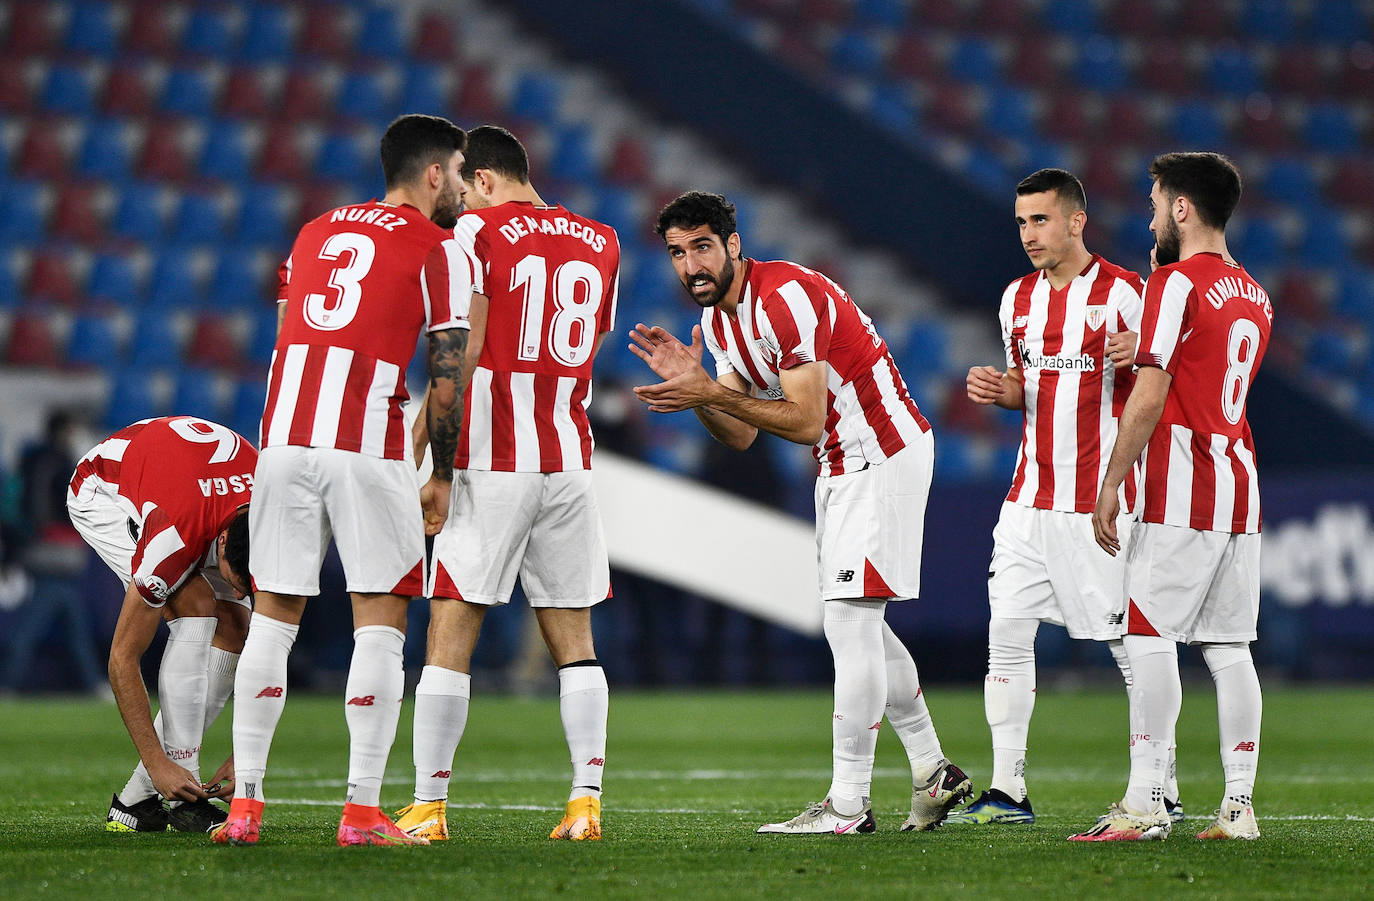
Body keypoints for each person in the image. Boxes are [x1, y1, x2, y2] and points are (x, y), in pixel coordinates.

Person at [630, 191, 971, 834]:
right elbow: (738, 434)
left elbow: (805, 418)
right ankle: (933, 770)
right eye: (677, 253)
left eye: (702, 247)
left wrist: (707, 389)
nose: (690, 265)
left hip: (880, 452)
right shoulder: (726, 321)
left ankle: (849, 804)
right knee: (860, 628)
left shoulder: (781, 296)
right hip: (844, 465)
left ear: (734, 244)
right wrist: (701, 390)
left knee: (848, 625)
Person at [214, 113, 471, 848]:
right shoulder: (440, 249)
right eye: (457, 172)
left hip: (285, 440)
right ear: (432, 174)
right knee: (381, 618)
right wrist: (443, 474)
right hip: (366, 441)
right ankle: (361, 811)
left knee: (273, 616)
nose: (461, 186)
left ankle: (245, 808)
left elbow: (290, 330)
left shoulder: (314, 232)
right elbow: (447, 378)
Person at [397, 125, 618, 843]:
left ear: (487, 179)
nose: (458, 196)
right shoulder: (600, 241)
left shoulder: (471, 237)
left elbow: (455, 362)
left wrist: (438, 467)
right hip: (571, 458)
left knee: (451, 627)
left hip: (493, 460)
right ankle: (585, 802)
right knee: (574, 636)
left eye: (466, 184)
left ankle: (429, 806)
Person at [950, 169, 1187, 825]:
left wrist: (1143, 353)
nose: (1029, 233)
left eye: (1042, 219)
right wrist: (1007, 393)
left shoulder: (1125, 295)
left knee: (1128, 644)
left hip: (1101, 502)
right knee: (1006, 633)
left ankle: (1159, 783)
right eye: (1022, 221)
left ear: (1077, 221)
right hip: (1028, 498)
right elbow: (1031, 385)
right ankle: (1009, 790)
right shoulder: (1016, 300)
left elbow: (1168, 381)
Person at [1071, 152, 1270, 842]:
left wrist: (1109, 483)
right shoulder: (1254, 292)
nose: (1153, 216)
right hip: (1240, 488)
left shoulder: (1172, 281)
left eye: (1157, 203)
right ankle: (1238, 807)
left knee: (1148, 635)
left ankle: (1145, 800)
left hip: (1184, 490)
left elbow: (1152, 393)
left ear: (1183, 208)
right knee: (1229, 648)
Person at [64, 416, 255, 833]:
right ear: (221, 542)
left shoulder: (282, 522)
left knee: (238, 628)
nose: (239, 594)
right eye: (238, 581)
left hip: (184, 478)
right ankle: (185, 796)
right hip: (102, 490)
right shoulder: (175, 537)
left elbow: (277, 641)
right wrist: (158, 761)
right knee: (197, 603)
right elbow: (122, 658)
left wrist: (250, 754)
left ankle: (135, 802)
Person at [1, 410, 106, 696]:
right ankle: (8, 683)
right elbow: (70, 507)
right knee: (36, 625)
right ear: (63, 431)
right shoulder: (58, 465)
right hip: (54, 552)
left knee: (73, 624)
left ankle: (94, 682)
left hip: (39, 550)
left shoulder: (32, 461)